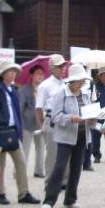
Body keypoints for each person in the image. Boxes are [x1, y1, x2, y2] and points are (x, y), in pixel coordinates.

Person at [0, 61, 41, 206]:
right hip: (0, 130)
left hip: (13, 130)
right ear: (3, 73)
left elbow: (16, 112)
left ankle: (23, 192)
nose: (13, 74)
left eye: (14, 71)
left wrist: (19, 131)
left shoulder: (14, 90)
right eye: (10, 71)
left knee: (21, 163)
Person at [42, 63, 92, 208]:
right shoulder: (61, 94)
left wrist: (93, 118)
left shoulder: (85, 94)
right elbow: (55, 117)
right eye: (80, 80)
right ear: (72, 81)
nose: (82, 83)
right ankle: (49, 200)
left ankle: (70, 198)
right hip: (66, 136)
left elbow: (88, 112)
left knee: (77, 168)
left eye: (83, 80)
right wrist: (71, 118)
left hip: (82, 135)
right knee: (60, 167)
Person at [35, 54, 66, 187]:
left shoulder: (66, 84)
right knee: (52, 154)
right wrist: (42, 123)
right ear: (52, 68)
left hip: (64, 119)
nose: (62, 69)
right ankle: (50, 181)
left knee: (65, 152)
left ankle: (64, 181)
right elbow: (39, 107)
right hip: (51, 119)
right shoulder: (45, 85)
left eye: (63, 66)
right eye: (59, 66)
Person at [19, 65, 45, 178]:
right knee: (25, 149)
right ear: (32, 75)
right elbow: (20, 107)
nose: (40, 76)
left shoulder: (44, 89)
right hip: (27, 123)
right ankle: (20, 171)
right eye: (38, 73)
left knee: (41, 149)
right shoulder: (24, 90)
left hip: (41, 122)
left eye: (42, 74)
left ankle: (39, 171)